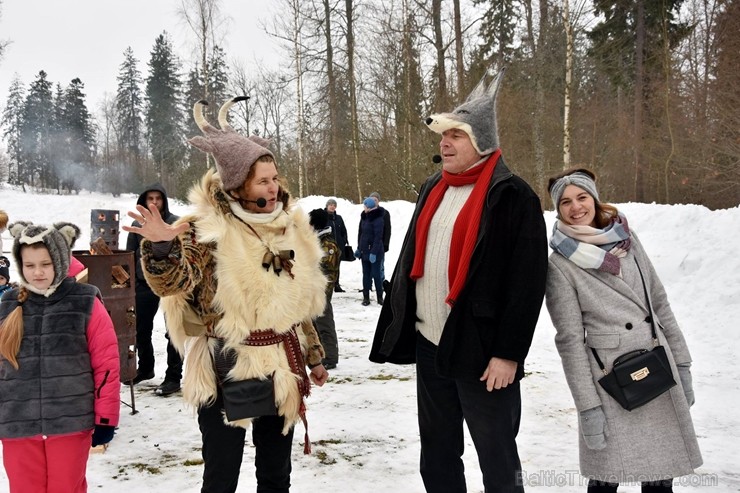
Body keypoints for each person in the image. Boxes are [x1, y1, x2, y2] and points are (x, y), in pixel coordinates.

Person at [122, 97, 329, 493]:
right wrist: (163, 247)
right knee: (221, 474)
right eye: (263, 180)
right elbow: (173, 283)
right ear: (240, 184)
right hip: (224, 364)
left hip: (281, 364)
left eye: (274, 177)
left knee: (275, 472)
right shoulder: (206, 229)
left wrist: (314, 357)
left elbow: (298, 303)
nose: (275, 185)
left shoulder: (290, 226)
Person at [369, 69, 548, 492]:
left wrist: (508, 354)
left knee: (498, 457)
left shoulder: (513, 196)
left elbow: (527, 284)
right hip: (432, 346)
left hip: (484, 355)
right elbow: (412, 258)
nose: (444, 143)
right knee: (437, 451)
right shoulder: (434, 186)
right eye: (442, 136)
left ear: (482, 141)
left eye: (456, 135)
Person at [545, 168, 702, 492]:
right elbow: (571, 342)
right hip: (610, 382)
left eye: (582, 197)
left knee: (661, 478)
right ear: (558, 210)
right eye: (565, 202)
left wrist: (683, 364)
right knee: (605, 480)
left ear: (595, 199)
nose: (576, 207)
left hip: (657, 367)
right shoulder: (560, 265)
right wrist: (588, 407)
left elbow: (659, 304)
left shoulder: (627, 240)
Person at [0, 221, 120, 493]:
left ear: (59, 260)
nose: (38, 272)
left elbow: (107, 366)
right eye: (29, 266)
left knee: (66, 487)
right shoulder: (8, 303)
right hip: (18, 423)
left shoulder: (85, 301)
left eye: (45, 263)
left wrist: (105, 418)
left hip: (70, 422)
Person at [126, 183, 183, 395]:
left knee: (174, 332)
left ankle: (173, 377)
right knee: (141, 329)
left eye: (158, 198)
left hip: (171, 286)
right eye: (150, 198)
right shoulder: (137, 225)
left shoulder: (174, 222)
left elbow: (184, 253)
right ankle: (146, 368)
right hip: (144, 284)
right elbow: (130, 255)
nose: (154, 202)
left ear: (164, 201)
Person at [309, 208, 340, 369]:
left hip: (323, 291)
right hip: (314, 290)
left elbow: (327, 268)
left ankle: (330, 357)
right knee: (315, 324)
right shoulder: (316, 241)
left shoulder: (328, 244)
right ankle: (321, 354)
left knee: (325, 324)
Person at [357, 196, 386, 306]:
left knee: (376, 275)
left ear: (369, 207)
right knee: (366, 275)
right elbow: (361, 235)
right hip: (364, 251)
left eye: (365, 206)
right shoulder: (364, 217)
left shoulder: (378, 219)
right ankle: (366, 297)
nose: (364, 208)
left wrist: (374, 252)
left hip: (375, 252)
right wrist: (359, 249)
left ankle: (380, 296)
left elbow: (378, 237)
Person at [325, 198, 348, 293]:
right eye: (330, 204)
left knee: (337, 266)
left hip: (338, 247)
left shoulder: (339, 218)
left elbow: (343, 231)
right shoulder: (323, 217)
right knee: (326, 266)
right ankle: (327, 284)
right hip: (327, 247)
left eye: (334, 205)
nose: (332, 206)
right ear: (327, 206)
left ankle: (336, 284)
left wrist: (343, 241)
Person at [368, 192, 391, 282]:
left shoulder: (384, 213)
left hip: (379, 244)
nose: (373, 201)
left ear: (378, 201)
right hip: (368, 243)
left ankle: (381, 283)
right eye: (372, 199)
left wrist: (386, 243)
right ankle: (368, 284)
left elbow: (388, 229)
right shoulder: (366, 212)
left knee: (380, 265)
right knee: (368, 265)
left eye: (375, 199)